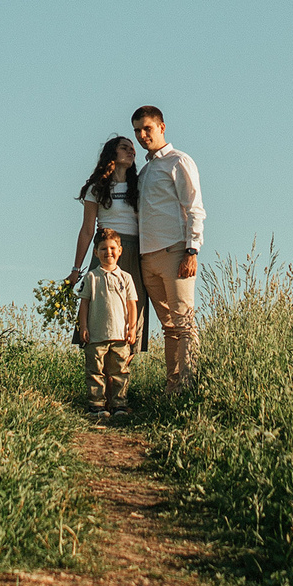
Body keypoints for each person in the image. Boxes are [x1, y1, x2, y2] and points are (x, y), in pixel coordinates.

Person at [131, 105, 202, 390]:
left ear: (161, 127)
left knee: (184, 324)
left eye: (147, 128)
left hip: (175, 252)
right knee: (169, 327)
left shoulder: (178, 161)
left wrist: (192, 249)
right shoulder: (145, 171)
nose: (142, 135)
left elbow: (194, 207)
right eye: (137, 130)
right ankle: (172, 388)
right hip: (148, 257)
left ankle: (188, 386)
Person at [68, 135, 148, 349]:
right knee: (100, 310)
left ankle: (121, 374)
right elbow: (86, 230)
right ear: (112, 153)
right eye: (125, 148)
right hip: (105, 252)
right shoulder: (97, 188)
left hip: (134, 251)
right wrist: (76, 269)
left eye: (133, 149)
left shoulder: (139, 185)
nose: (132, 152)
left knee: (132, 311)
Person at [74, 229, 141, 420]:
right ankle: (96, 405)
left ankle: (120, 405)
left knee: (120, 371)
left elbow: (132, 305)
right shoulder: (91, 277)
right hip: (96, 335)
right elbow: (84, 304)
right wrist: (84, 327)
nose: (108, 252)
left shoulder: (126, 277)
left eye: (112, 248)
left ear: (120, 251)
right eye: (103, 249)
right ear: (96, 252)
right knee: (95, 371)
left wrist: (132, 328)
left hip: (120, 334)